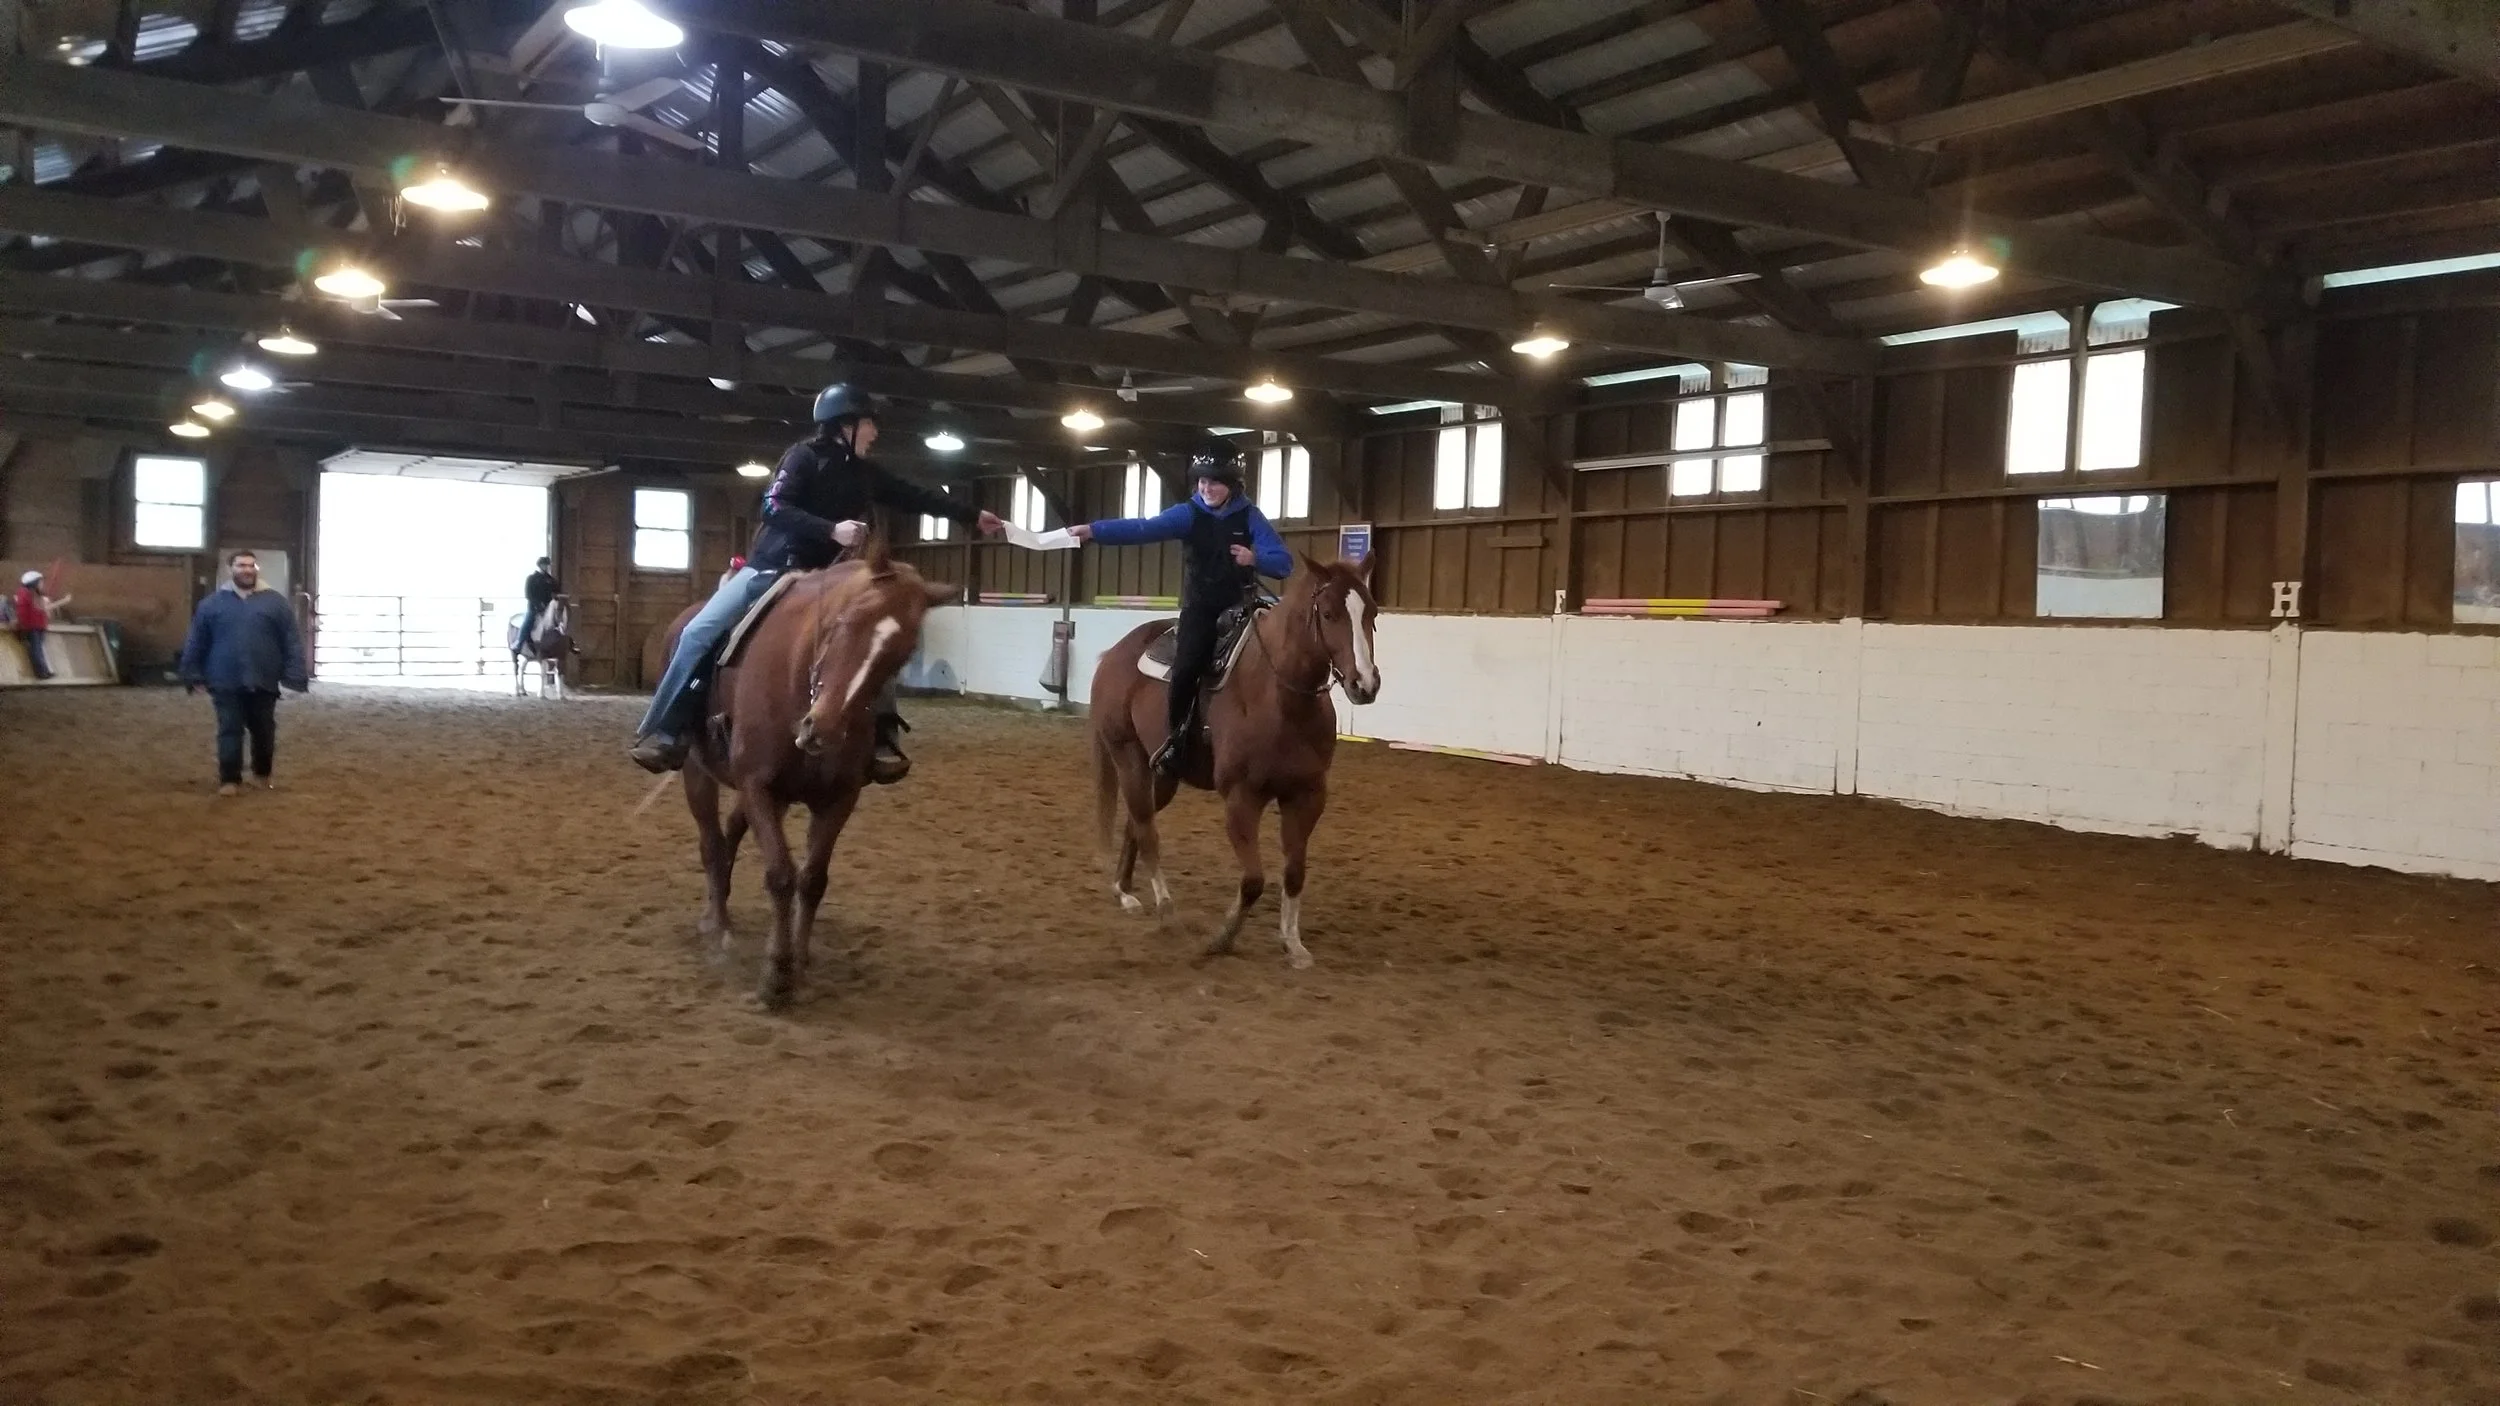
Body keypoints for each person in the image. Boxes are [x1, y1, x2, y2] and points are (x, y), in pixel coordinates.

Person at [628, 384, 1004, 779]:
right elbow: (774, 507)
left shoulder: (865, 473)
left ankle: (881, 735)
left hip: (829, 580)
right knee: (698, 632)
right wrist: (830, 530)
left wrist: (972, 515)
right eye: (869, 424)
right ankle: (668, 730)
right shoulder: (802, 457)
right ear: (846, 425)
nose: (875, 433)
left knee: (875, 639)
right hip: (773, 569)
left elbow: (914, 496)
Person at [1069, 435, 1291, 776]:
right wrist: (1094, 531)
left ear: (1232, 484)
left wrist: (1255, 558)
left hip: (1243, 607)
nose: (1207, 488)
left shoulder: (1250, 517)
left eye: (1215, 482)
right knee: (1187, 666)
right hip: (1202, 609)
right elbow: (1143, 528)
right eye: (1202, 481)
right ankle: (1176, 739)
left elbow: (1284, 563)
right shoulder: (1188, 514)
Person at [179, 550, 309, 797]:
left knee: (264, 730)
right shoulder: (211, 605)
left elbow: (291, 640)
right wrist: (193, 673)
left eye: (251, 565)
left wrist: (294, 674)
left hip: (264, 677)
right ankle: (229, 779)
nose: (247, 570)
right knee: (229, 728)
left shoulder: (276, 603)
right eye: (241, 565)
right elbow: (197, 640)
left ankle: (262, 774)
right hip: (224, 677)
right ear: (231, 569)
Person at [11, 568, 69, 681]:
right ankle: (41, 672)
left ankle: (44, 670)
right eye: (40, 582)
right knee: (36, 650)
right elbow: (41, 608)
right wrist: (63, 601)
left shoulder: (31, 594)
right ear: (34, 583)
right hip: (33, 627)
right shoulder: (29, 594)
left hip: (37, 626)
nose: (42, 584)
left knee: (38, 650)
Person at [519, 556, 560, 654]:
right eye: (544, 565)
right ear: (540, 565)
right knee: (528, 622)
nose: (546, 567)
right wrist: (538, 604)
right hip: (534, 607)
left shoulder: (551, 580)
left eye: (547, 565)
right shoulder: (532, 578)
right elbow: (528, 594)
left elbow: (557, 592)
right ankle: (519, 644)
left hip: (548, 607)